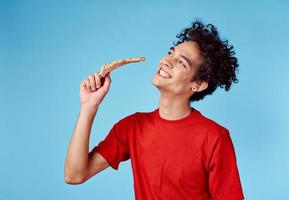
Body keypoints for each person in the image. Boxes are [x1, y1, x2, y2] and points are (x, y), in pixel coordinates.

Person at [64, 20, 245, 200]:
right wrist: (88, 108)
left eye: (181, 62)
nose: (167, 61)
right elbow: (74, 175)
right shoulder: (133, 127)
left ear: (197, 85)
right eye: (170, 53)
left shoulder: (214, 137)